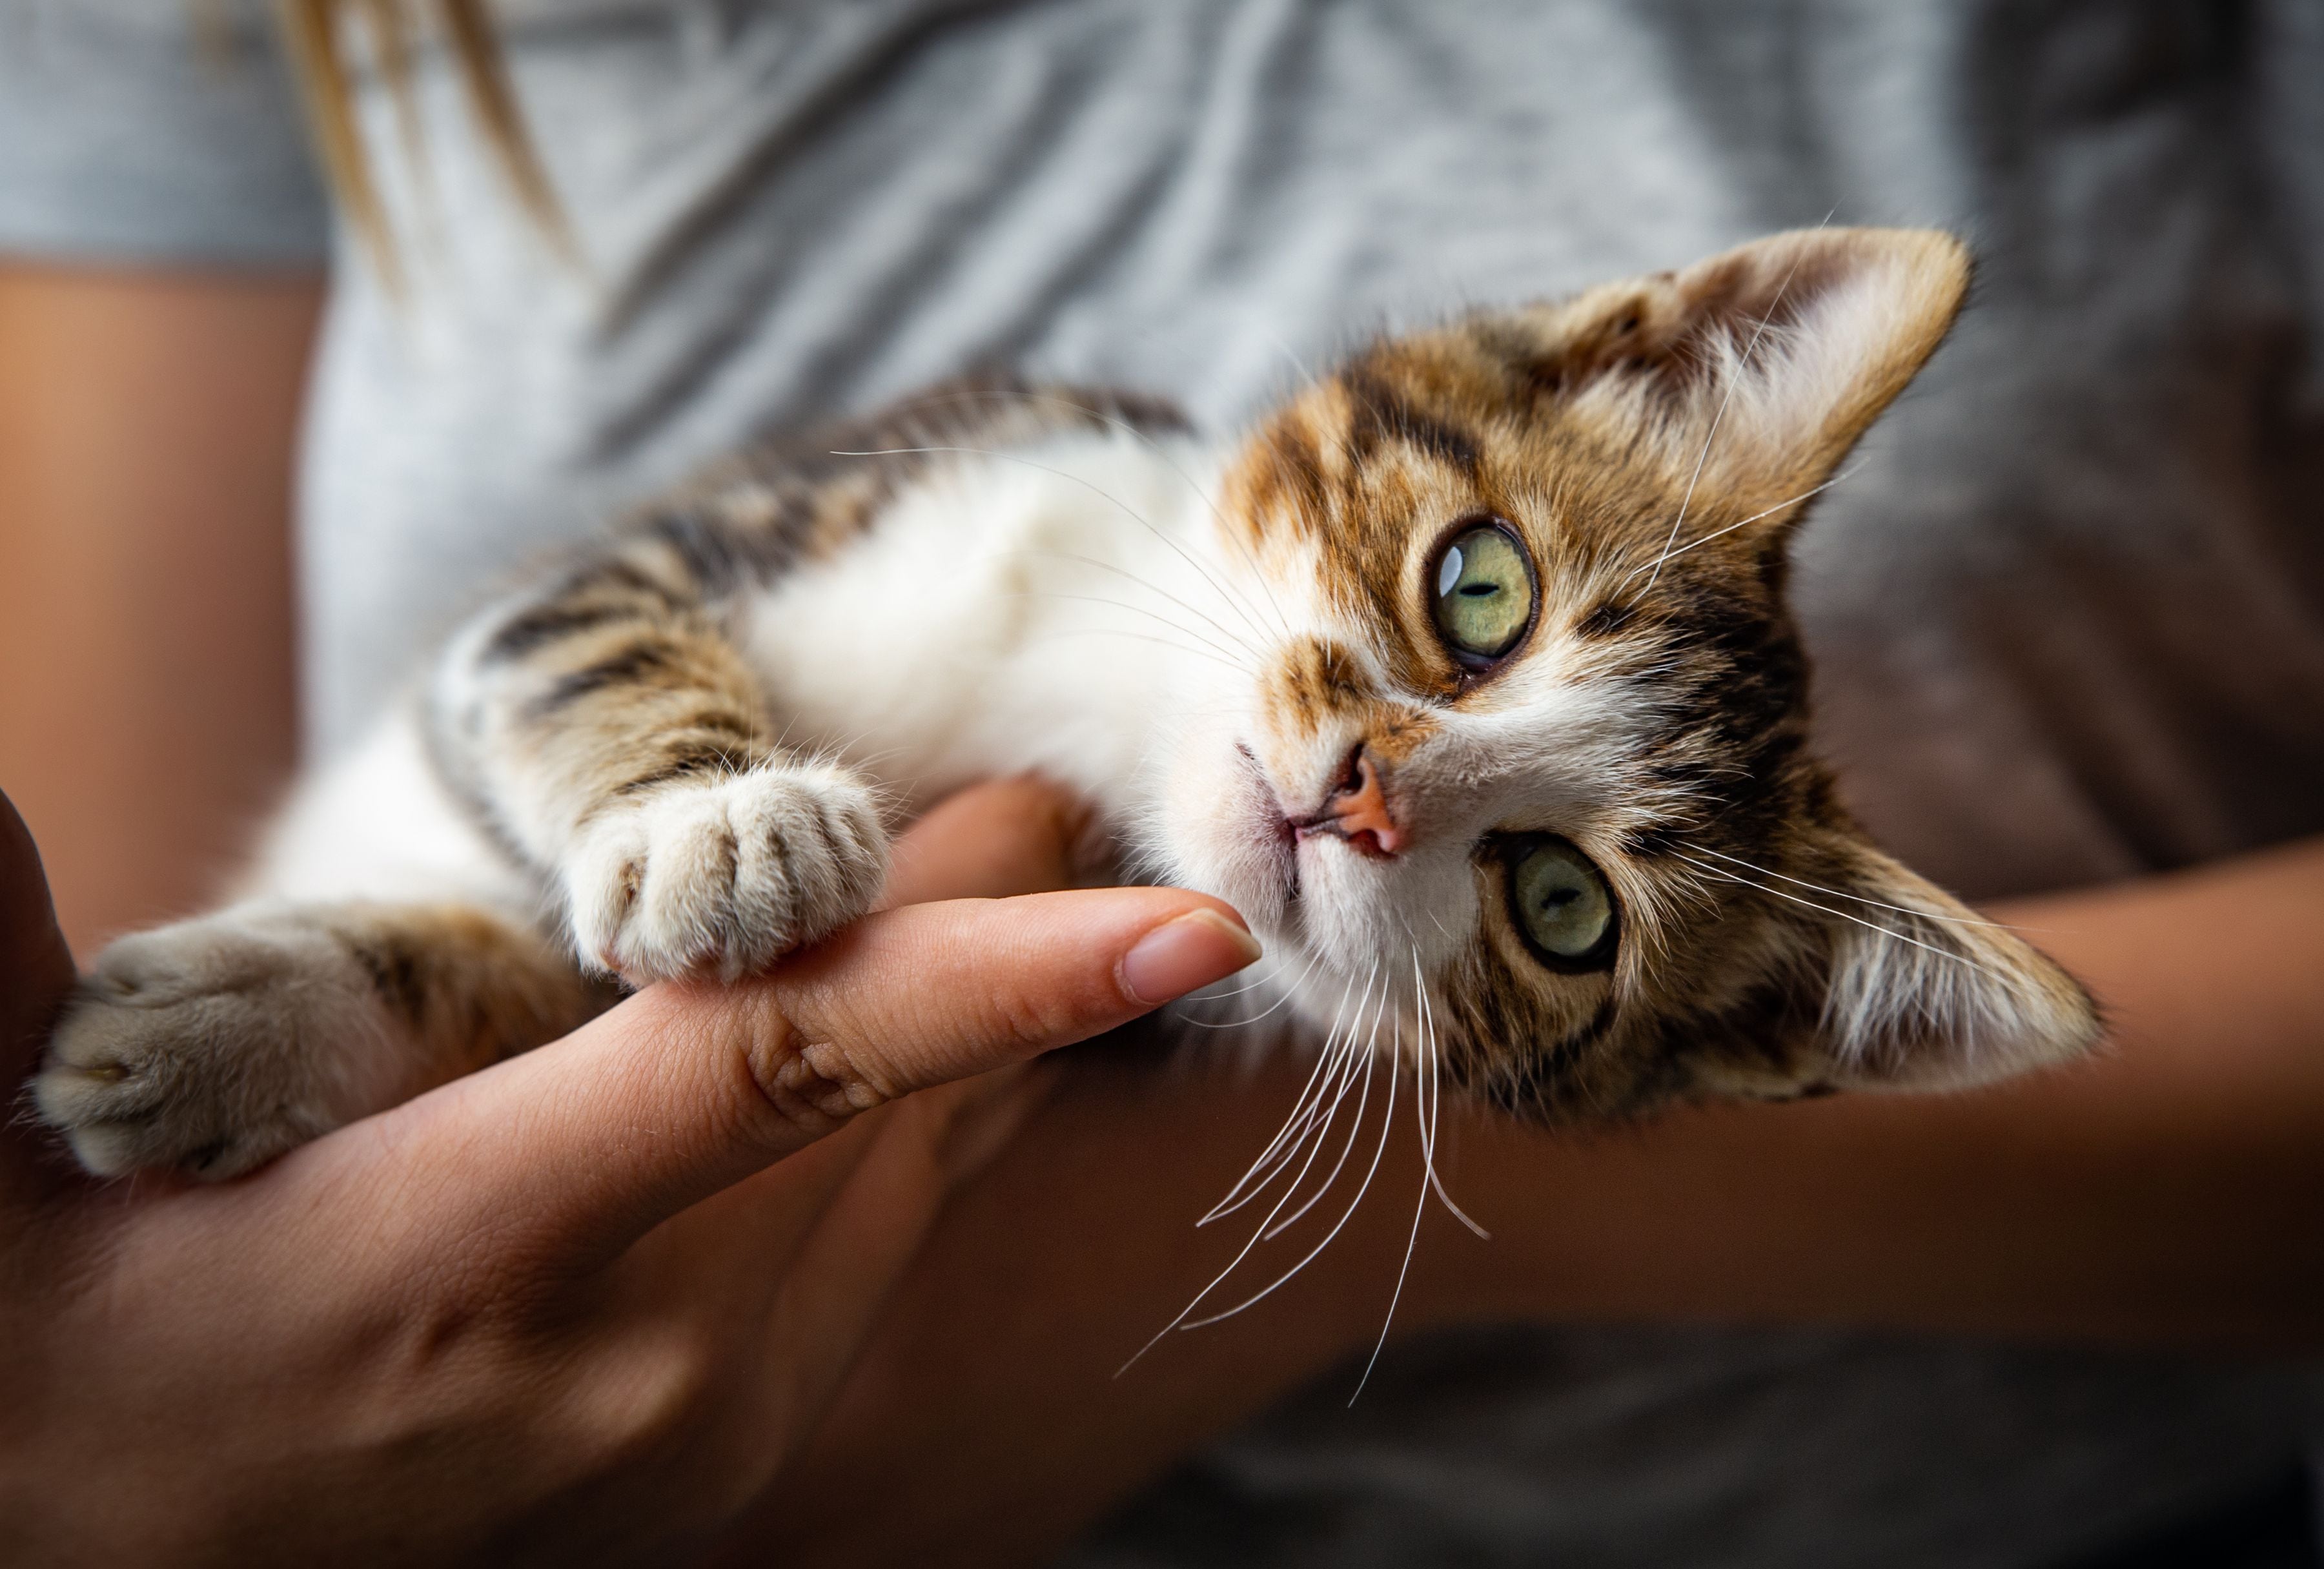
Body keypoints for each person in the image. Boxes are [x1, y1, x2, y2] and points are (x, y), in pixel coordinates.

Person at [1, 1, 2319, 1564]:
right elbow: (141, 982)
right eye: (1485, 601)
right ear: (1623, 360)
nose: (1393, 795)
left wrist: (1155, 1259)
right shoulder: (1023, 519)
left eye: (1562, 904)